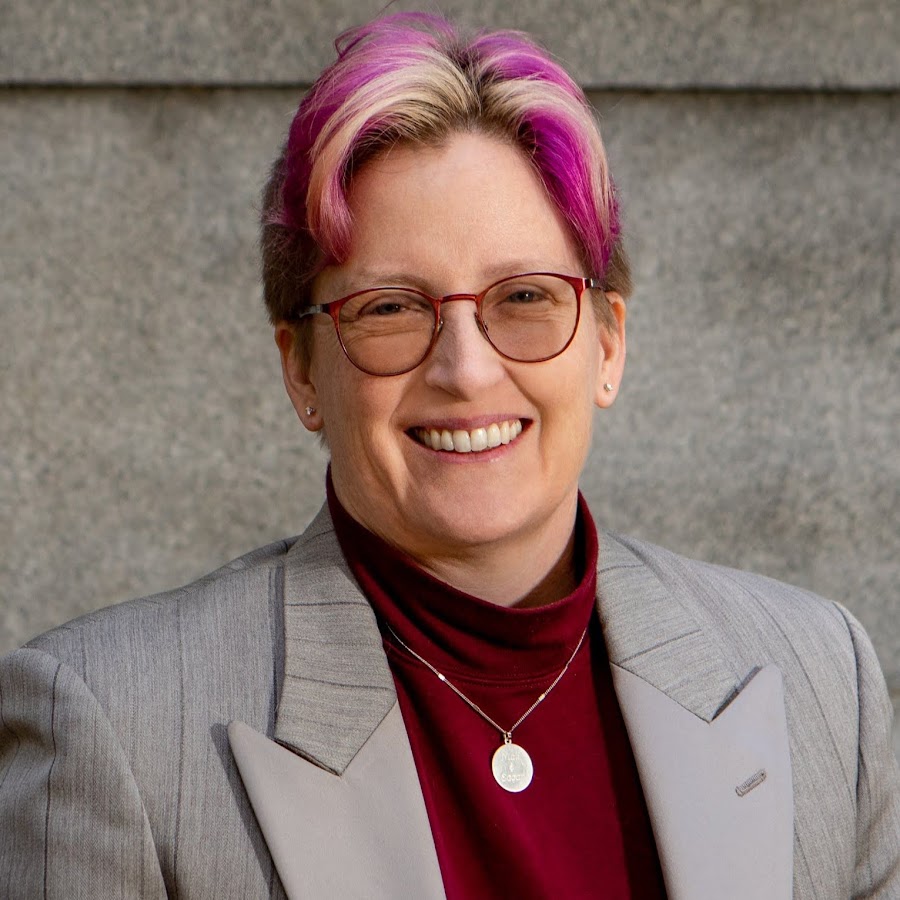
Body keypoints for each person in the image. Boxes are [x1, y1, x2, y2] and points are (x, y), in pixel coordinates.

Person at [1, 12, 897, 899]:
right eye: (390, 309)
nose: (466, 371)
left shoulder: (821, 679)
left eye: (525, 297)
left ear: (608, 343)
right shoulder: (110, 723)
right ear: (301, 368)